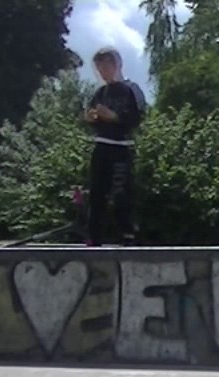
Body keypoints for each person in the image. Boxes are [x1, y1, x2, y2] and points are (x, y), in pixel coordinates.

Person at [83, 47, 146, 246]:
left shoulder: (130, 89)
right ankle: (94, 238)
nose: (103, 71)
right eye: (99, 68)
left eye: (106, 66)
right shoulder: (100, 92)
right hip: (102, 146)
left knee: (121, 193)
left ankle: (128, 236)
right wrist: (91, 118)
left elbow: (136, 118)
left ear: (117, 65)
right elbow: (94, 119)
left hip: (121, 148)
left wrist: (114, 117)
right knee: (96, 193)